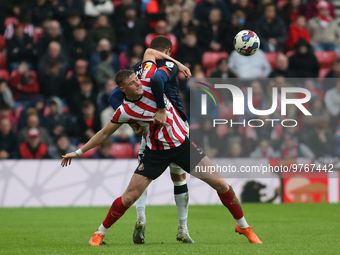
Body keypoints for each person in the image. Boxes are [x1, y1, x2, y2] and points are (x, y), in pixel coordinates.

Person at [61, 49, 262, 246]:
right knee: (129, 197)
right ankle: (100, 232)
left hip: (182, 146)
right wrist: (78, 152)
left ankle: (243, 227)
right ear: (122, 89)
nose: (137, 83)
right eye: (131, 83)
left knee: (221, 185)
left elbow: (150, 51)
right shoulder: (125, 110)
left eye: (136, 79)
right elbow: (104, 134)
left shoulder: (148, 77)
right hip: (155, 153)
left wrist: (180, 64)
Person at [108, 36, 193, 244]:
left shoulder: (137, 70)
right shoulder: (168, 66)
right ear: (168, 51)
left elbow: (113, 98)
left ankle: (141, 218)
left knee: (143, 176)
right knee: (179, 178)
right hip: (173, 126)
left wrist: (132, 122)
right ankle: (182, 228)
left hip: (149, 130)